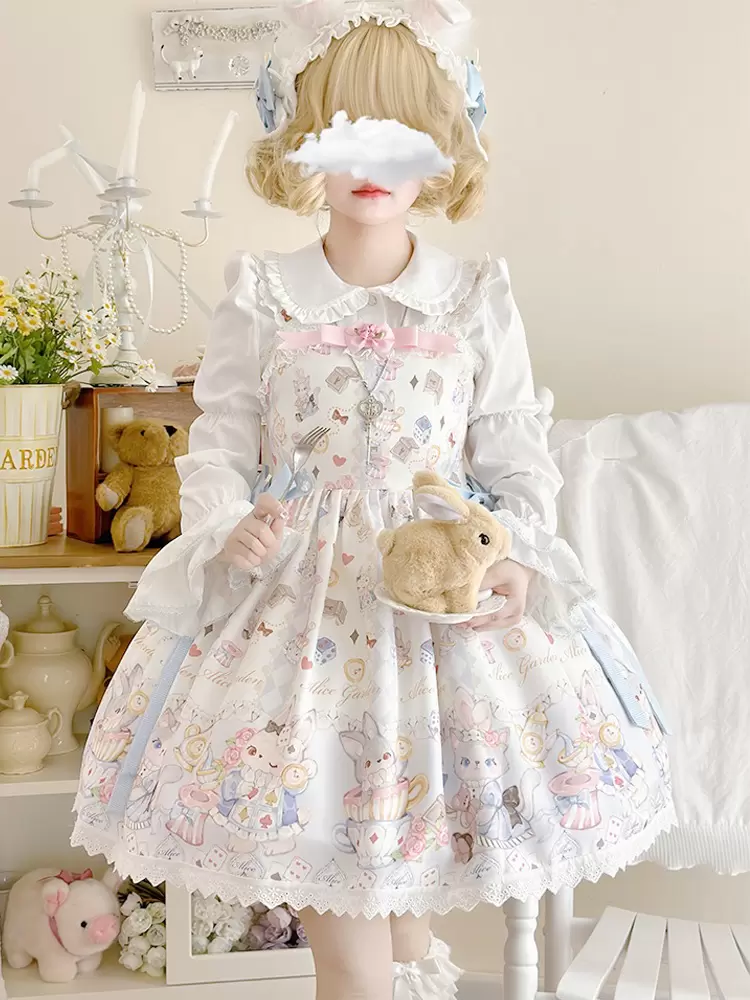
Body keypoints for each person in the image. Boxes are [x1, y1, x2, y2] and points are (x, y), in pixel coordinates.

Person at [72, 4, 674, 998]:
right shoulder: (263, 291)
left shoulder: (475, 295)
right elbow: (220, 440)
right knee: (344, 916)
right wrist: (226, 527)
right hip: (295, 625)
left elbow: (515, 456)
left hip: (436, 618)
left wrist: (516, 555)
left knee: (401, 911)